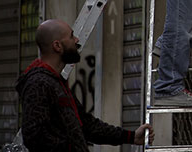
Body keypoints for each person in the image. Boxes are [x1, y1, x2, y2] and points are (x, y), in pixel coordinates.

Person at [16, 19, 155, 152]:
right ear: (57, 46)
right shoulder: (38, 83)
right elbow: (34, 136)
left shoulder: (56, 82)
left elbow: (87, 125)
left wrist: (131, 136)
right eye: (71, 36)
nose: (76, 40)